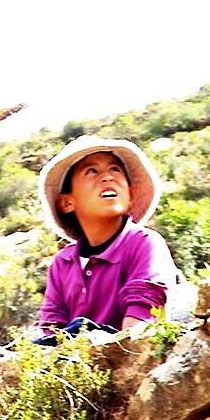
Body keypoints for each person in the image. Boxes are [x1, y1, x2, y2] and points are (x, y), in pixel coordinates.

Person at [35, 135, 177, 337]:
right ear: (67, 203)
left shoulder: (144, 244)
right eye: (91, 171)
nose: (108, 177)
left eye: (115, 169)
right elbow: (51, 328)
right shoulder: (62, 263)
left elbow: (141, 330)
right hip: (74, 356)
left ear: (130, 196)